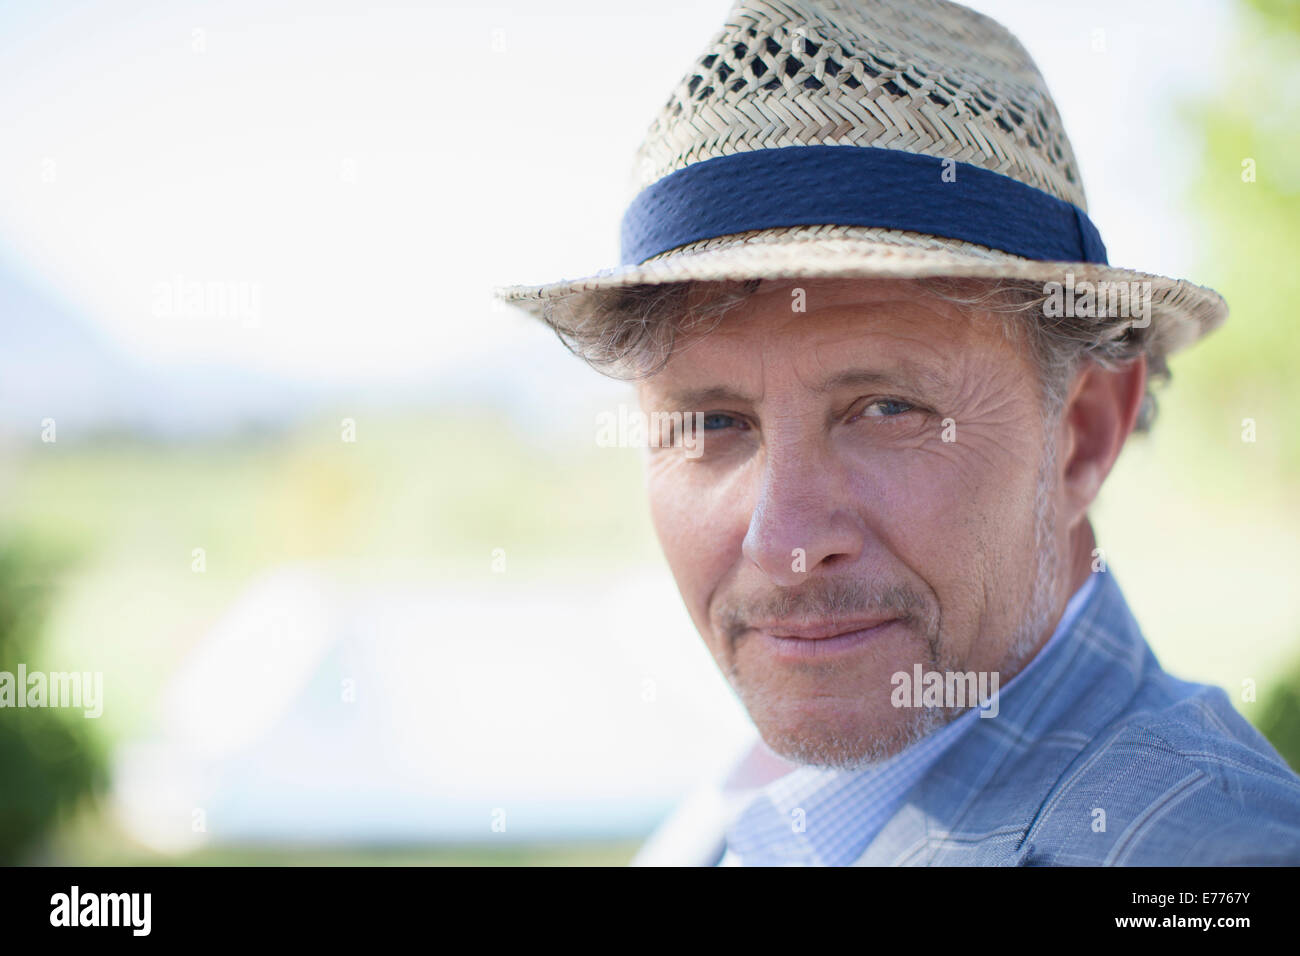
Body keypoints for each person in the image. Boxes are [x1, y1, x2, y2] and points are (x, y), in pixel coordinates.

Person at [495, 0, 1300, 865]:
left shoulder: (1201, 854)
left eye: (885, 410)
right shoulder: (766, 796)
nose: (784, 545)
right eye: (713, 422)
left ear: (1082, 430)